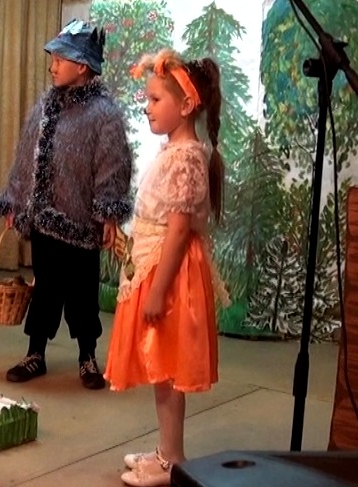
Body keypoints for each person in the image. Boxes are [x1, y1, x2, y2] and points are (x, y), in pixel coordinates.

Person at [103, 49, 227, 486]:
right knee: (161, 369)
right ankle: (164, 450)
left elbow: (178, 230)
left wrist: (157, 291)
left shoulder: (186, 156)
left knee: (169, 370)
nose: (147, 107)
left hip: (171, 278)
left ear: (187, 105)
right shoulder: (174, 151)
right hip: (156, 267)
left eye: (156, 100)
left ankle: (173, 459)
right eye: (148, 99)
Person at [0, 19, 133, 390]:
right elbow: (25, 158)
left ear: (82, 66)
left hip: (81, 223)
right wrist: (14, 200)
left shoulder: (104, 114)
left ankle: (87, 355)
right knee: (45, 288)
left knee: (83, 294)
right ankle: (35, 352)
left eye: (59, 60)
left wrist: (108, 213)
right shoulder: (44, 107)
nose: (52, 67)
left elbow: (113, 165)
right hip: (44, 220)